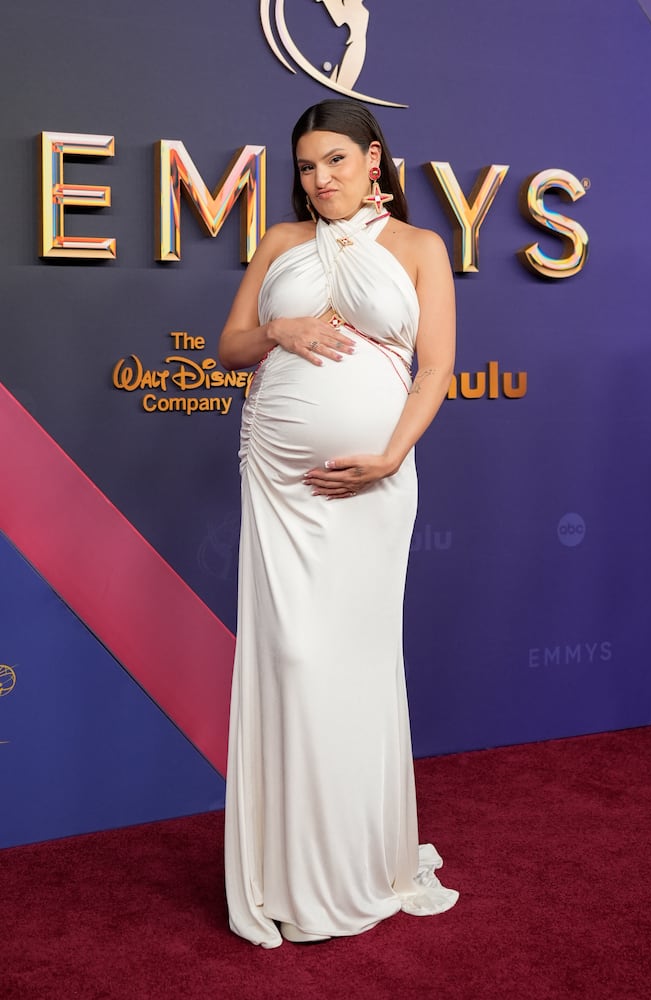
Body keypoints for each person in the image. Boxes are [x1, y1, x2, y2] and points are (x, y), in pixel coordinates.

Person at [219, 99, 458, 948]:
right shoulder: (281, 243)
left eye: (333, 161)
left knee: (352, 666)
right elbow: (231, 347)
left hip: (374, 488)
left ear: (373, 159)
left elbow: (434, 369)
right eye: (305, 166)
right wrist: (278, 329)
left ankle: (358, 860)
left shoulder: (421, 248)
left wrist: (393, 453)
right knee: (290, 659)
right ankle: (287, 870)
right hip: (280, 485)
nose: (318, 179)